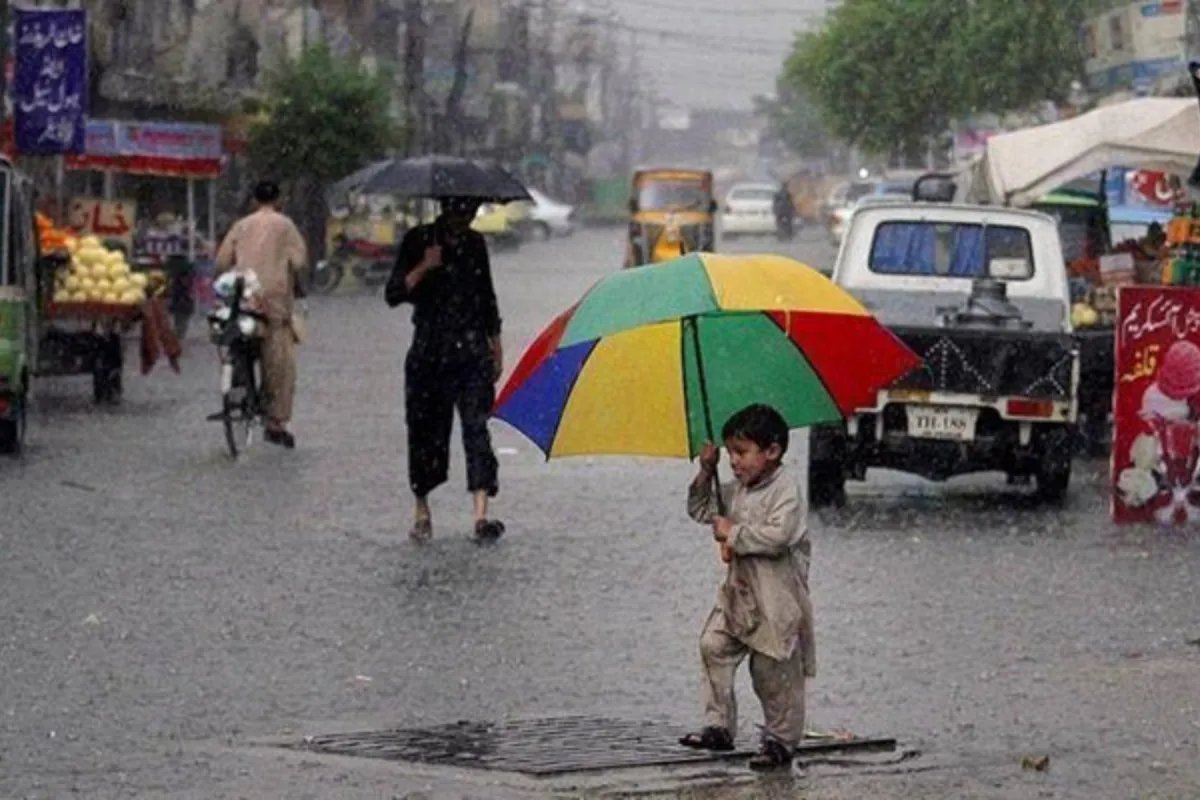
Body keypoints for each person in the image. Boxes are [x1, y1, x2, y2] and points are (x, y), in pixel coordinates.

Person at [680, 404, 816, 771]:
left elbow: (778, 536)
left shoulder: (785, 490)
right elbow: (700, 509)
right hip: (739, 595)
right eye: (730, 454)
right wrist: (706, 470)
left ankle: (780, 740)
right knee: (714, 645)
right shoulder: (736, 490)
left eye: (742, 453)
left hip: (775, 600)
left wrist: (734, 533)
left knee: (773, 671)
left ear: (772, 451)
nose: (734, 463)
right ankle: (718, 725)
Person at [385, 196, 505, 543]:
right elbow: (392, 293)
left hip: (471, 354)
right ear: (446, 210)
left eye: (471, 212)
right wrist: (424, 266)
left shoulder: (475, 244)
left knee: (477, 429)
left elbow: (487, 296)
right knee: (425, 434)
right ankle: (422, 509)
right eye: (460, 212)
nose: (465, 219)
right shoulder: (418, 240)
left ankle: (481, 517)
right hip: (429, 354)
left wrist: (495, 343)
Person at [214, 180, 308, 449]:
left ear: (255, 200)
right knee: (280, 365)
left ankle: (239, 386)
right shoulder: (285, 226)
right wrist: (299, 287)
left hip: (242, 301)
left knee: (237, 344)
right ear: (279, 200)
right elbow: (299, 262)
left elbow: (222, 261)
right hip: (273, 305)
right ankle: (275, 423)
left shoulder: (241, 226)